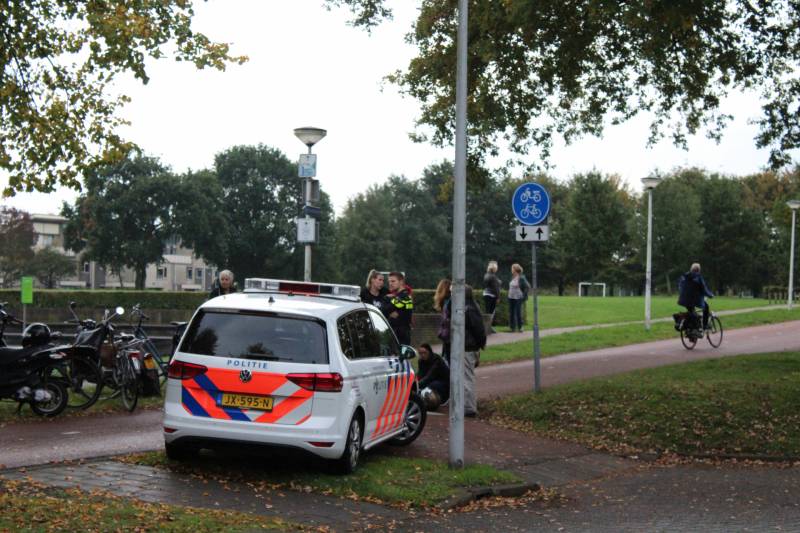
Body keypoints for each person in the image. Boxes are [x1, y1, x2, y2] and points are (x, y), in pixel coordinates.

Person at [463, 285, 487, 417]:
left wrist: (479, 345)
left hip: (468, 347)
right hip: (468, 346)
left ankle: (469, 407)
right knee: (465, 376)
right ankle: (465, 404)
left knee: (467, 377)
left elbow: (478, 330)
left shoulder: (469, 309)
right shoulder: (469, 307)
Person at [677, 262, 714, 329]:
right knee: (706, 307)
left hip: (683, 299)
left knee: (692, 312)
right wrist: (710, 295)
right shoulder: (698, 277)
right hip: (695, 300)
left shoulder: (684, 276)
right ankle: (705, 325)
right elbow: (704, 289)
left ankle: (692, 328)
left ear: (691, 269)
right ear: (699, 270)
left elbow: (680, 286)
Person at [416, 343, 450, 411]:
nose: (422, 355)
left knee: (429, 387)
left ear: (429, 352)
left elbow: (430, 376)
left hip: (443, 383)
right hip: (431, 381)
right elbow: (420, 374)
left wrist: (417, 385)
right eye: (420, 353)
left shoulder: (436, 360)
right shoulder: (421, 361)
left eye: (424, 353)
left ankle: (433, 402)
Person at [386, 271, 414, 345]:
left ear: (401, 282)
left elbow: (384, 310)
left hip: (401, 337)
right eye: (389, 281)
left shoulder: (403, 297)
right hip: (399, 334)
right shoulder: (399, 296)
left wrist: (389, 313)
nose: (390, 284)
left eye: (393, 281)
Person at [433, 278, 452, 364]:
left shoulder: (442, 301)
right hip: (449, 332)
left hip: (445, 333)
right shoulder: (449, 301)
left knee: (446, 354)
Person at [507, 263, 530, 332]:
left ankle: (520, 327)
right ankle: (512, 328)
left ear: (515, 269)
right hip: (511, 297)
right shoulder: (512, 277)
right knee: (511, 312)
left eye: (512, 268)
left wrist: (523, 295)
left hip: (518, 297)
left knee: (518, 312)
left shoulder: (521, 277)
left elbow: (527, 286)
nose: (511, 270)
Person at [482, 260, 501, 332]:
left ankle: (488, 327)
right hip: (492, 295)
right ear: (495, 268)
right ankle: (488, 327)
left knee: (488, 311)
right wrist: (498, 297)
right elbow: (495, 288)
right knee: (491, 312)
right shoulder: (493, 276)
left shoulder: (486, 275)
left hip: (486, 294)